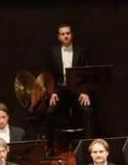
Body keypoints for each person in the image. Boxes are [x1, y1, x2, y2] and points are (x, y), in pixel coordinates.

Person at [40, 24, 93, 154]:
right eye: (63, 34)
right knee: (50, 112)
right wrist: (51, 93)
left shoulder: (82, 51)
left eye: (68, 33)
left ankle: (89, 147)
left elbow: (88, 73)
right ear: (59, 37)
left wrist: (85, 92)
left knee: (87, 111)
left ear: (71, 35)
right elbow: (48, 74)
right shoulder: (53, 52)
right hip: (60, 89)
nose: (66, 36)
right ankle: (50, 147)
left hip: (77, 89)